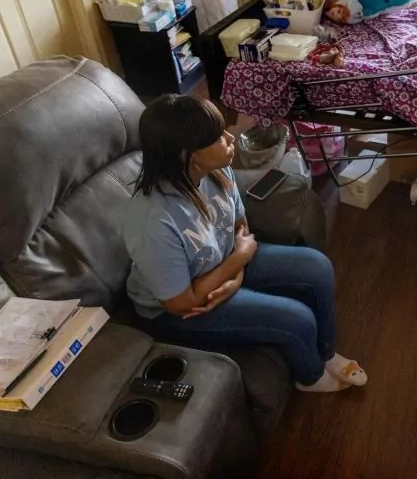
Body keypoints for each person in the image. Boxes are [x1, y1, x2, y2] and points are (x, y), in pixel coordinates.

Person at [123, 94, 366, 393]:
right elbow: (180, 303)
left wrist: (235, 278)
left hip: (223, 263)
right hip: (175, 312)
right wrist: (238, 261)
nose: (230, 137)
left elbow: (240, 224)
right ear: (188, 155)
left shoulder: (216, 170)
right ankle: (311, 376)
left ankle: (326, 353)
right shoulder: (154, 222)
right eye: (218, 138)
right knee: (297, 319)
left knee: (318, 268)